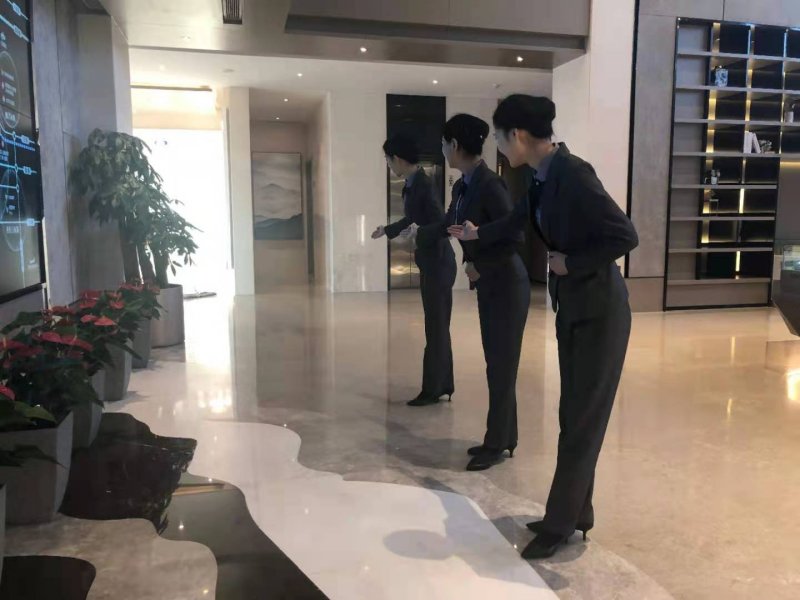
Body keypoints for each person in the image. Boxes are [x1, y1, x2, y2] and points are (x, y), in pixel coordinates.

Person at [448, 95, 639, 559]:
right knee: (574, 417)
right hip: (574, 308)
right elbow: (516, 220)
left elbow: (625, 235)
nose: (496, 145)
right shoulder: (541, 175)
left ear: (517, 135)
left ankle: (558, 524)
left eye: (499, 136)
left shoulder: (574, 173)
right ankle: (577, 514)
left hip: (601, 313)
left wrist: (572, 262)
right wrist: (475, 234)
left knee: (582, 421)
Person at [418, 114, 530, 472]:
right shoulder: (463, 185)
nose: (442, 150)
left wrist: (480, 263)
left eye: (443, 144)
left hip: (507, 284)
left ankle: (497, 443)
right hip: (490, 284)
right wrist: (417, 233)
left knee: (501, 367)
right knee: (496, 365)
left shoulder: (490, 185)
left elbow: (514, 237)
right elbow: (449, 223)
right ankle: (504, 437)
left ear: (454, 145)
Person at [372, 134, 457, 407]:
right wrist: (388, 229)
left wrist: (419, 233)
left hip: (439, 264)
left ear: (397, 158)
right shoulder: (412, 183)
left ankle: (433, 389)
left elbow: (442, 224)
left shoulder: (423, 184)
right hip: (431, 262)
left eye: (388, 160)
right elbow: (412, 218)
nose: (388, 165)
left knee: (436, 328)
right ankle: (442, 385)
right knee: (437, 327)